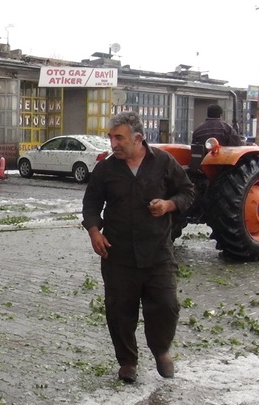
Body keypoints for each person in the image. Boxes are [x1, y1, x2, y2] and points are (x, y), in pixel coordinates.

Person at [82, 111, 194, 383]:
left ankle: (161, 351)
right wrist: (94, 232)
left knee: (166, 305)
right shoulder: (106, 169)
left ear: (138, 139)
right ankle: (127, 362)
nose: (113, 144)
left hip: (157, 252)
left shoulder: (164, 162)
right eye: (111, 138)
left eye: (119, 138)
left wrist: (169, 204)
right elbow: (92, 204)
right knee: (120, 311)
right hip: (117, 254)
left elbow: (188, 192)